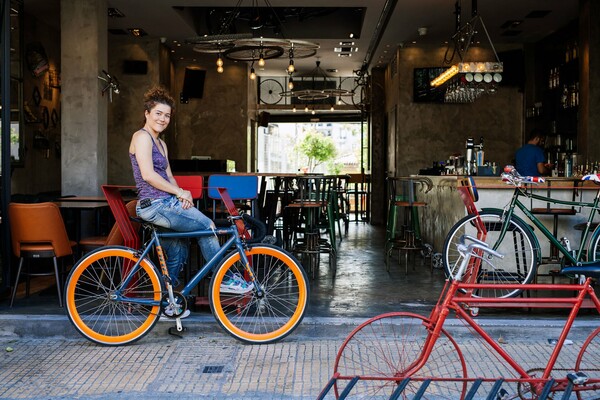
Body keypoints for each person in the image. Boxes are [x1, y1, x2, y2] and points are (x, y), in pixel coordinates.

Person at [129, 86, 253, 318]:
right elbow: (148, 175)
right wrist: (179, 192)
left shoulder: (162, 144)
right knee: (207, 227)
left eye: (167, 115)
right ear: (147, 113)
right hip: (154, 205)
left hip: (166, 204)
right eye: (158, 113)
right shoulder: (141, 137)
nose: (162, 119)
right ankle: (225, 279)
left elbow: (168, 176)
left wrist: (182, 194)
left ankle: (169, 302)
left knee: (178, 251)